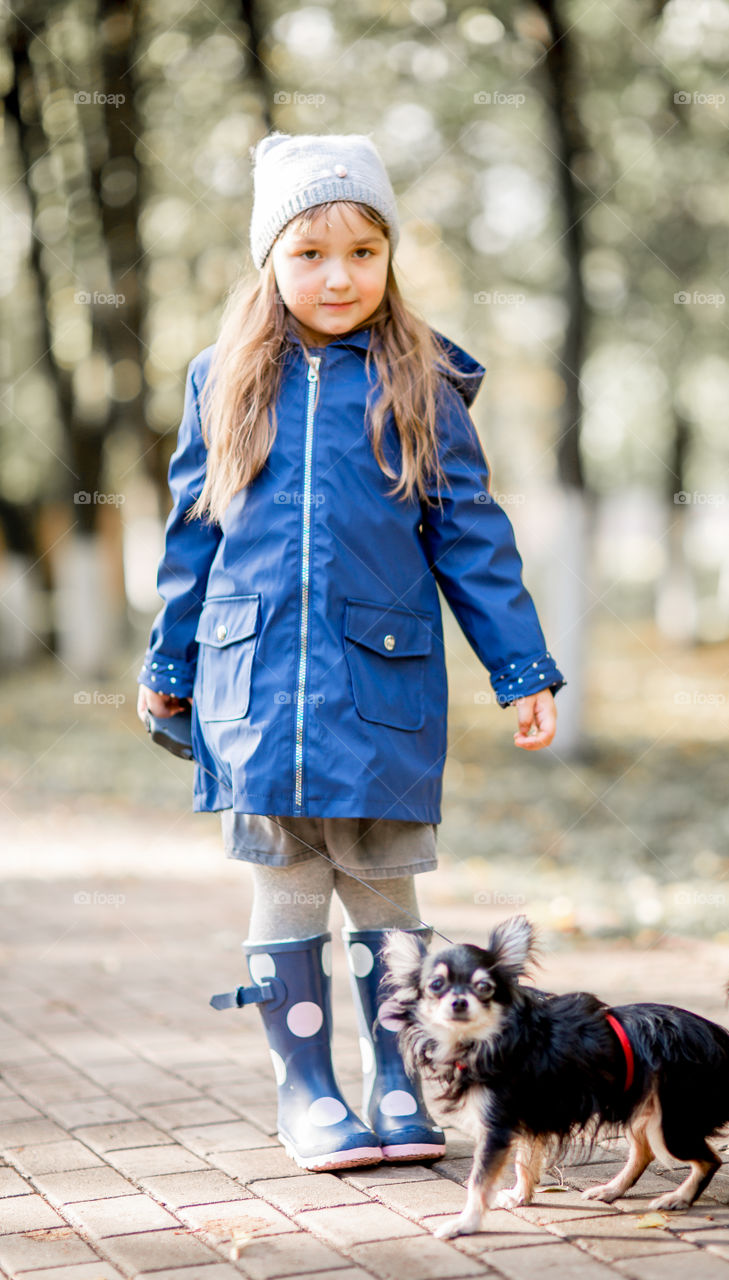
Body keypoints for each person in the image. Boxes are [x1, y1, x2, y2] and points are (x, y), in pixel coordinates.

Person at [136, 132, 565, 1173]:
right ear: (269, 260)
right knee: (284, 876)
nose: (338, 276)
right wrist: (168, 662)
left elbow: (470, 532)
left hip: (381, 683)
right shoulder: (220, 376)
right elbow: (192, 532)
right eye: (310, 253)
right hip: (256, 680)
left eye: (363, 253)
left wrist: (522, 666)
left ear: (389, 258)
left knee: (384, 889)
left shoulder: (422, 377)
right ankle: (307, 1089)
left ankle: (395, 1079)